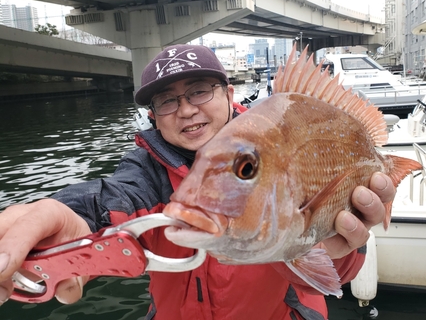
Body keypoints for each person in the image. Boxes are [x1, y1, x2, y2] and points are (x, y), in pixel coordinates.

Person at [0, 44, 396, 319]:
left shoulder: (275, 145)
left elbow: (338, 274)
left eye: (199, 91)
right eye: (167, 101)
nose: (186, 110)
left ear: (228, 93)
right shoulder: (148, 171)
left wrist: (339, 245)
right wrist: (67, 219)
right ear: (154, 115)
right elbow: (115, 198)